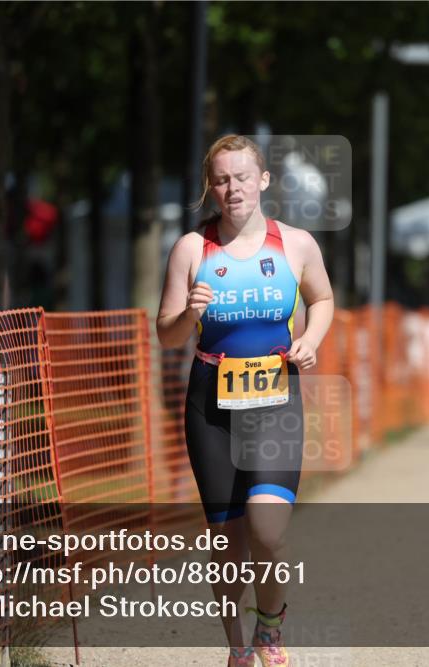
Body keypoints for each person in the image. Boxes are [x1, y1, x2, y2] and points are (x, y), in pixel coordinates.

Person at [156, 134, 334, 667]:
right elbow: (165, 334)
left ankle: (271, 630)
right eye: (220, 179)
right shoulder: (192, 249)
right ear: (210, 187)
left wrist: (309, 341)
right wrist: (190, 313)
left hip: (275, 399)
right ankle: (237, 648)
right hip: (211, 404)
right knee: (227, 542)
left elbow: (322, 298)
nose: (232, 189)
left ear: (263, 180)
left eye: (241, 177)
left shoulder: (295, 244)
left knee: (269, 531)